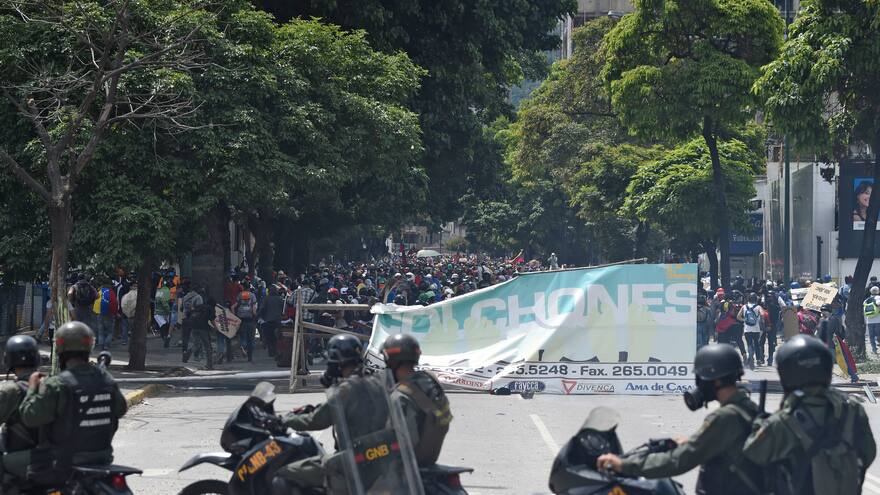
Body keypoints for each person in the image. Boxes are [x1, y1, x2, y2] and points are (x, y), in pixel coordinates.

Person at [596, 344, 762, 495]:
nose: (699, 384)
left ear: (715, 379)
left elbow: (679, 460)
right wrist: (692, 442)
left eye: (701, 378)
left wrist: (623, 465)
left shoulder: (725, 416)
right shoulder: (748, 408)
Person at [743, 335, 876, 495]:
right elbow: (868, 453)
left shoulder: (784, 420)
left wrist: (759, 424)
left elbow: (753, 454)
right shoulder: (852, 409)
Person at [274, 334, 387, 494]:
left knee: (285, 475)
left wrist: (286, 420)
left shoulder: (346, 389)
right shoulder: (376, 382)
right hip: (381, 457)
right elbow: (353, 408)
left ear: (336, 359)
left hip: (355, 459)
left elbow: (316, 421)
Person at [19, 322, 127, 469]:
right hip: (102, 458)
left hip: (62, 462)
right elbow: (121, 409)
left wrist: (32, 388)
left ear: (60, 348)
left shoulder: (57, 384)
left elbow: (30, 417)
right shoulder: (106, 379)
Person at [381, 333, 452, 466]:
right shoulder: (430, 380)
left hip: (406, 467)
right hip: (430, 458)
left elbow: (402, 442)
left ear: (391, 360)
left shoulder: (400, 396)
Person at [0, 336, 40, 481]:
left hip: (27, 457)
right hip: (56, 455)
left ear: (8, 360)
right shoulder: (52, 383)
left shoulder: (11, 390)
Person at [738, 293, 763, 369]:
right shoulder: (758, 307)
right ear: (756, 299)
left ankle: (750, 356)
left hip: (747, 329)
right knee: (756, 344)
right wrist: (759, 320)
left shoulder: (744, 307)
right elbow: (763, 314)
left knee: (749, 344)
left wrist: (744, 320)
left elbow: (738, 317)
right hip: (756, 329)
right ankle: (758, 360)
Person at [258, 285, 284, 358]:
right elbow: (283, 309)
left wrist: (259, 316)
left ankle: (271, 352)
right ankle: (277, 351)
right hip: (278, 321)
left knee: (269, 337)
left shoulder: (266, 299)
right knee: (277, 337)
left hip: (268, 321)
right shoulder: (280, 299)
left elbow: (262, 309)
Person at [234, 285, 258, 361]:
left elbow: (234, 306)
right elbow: (254, 307)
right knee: (250, 338)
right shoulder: (252, 295)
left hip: (241, 320)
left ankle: (243, 347)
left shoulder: (239, 295)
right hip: (250, 320)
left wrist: (235, 316)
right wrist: (255, 315)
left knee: (242, 336)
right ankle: (250, 357)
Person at [154, 280, 172, 348]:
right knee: (165, 326)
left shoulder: (159, 290)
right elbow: (164, 302)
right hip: (163, 312)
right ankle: (165, 338)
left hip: (157, 312)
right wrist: (168, 310)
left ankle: (165, 338)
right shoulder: (167, 291)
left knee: (163, 326)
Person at [864, 286, 880, 354]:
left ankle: (874, 349)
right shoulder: (878, 298)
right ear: (878, 291)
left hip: (869, 320)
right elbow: (878, 304)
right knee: (878, 335)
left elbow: (864, 309)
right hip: (878, 320)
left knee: (871, 336)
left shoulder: (867, 299)